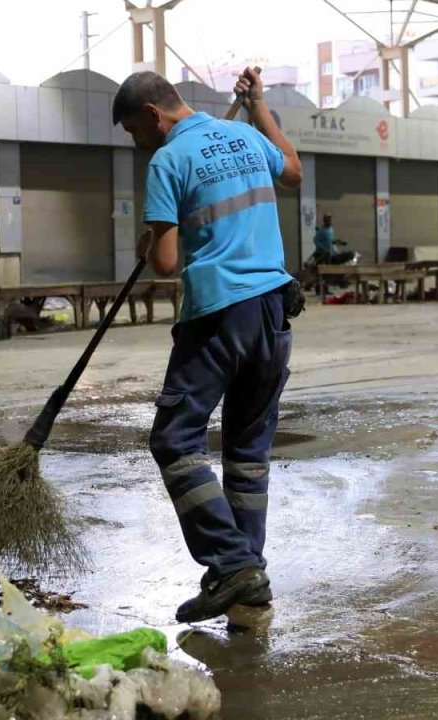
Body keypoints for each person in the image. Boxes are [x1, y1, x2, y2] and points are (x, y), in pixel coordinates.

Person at [114, 68, 303, 623]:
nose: (135, 141)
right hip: (272, 309)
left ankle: (229, 560)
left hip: (218, 314)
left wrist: (152, 242)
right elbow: (292, 170)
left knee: (174, 440)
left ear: (152, 114)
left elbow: (168, 263)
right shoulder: (248, 136)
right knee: (247, 453)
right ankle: (247, 574)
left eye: (132, 130)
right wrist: (260, 107)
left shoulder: (168, 161)